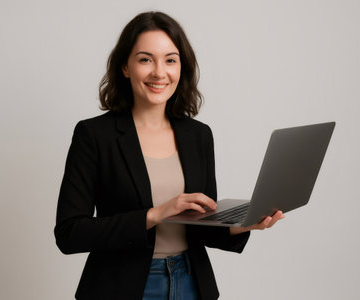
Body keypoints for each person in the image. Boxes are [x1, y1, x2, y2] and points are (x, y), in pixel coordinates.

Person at [54, 11, 284, 300]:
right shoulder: (94, 135)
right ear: (125, 67)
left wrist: (245, 224)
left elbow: (201, 228)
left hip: (190, 282)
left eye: (170, 60)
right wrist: (155, 214)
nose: (159, 73)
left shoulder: (198, 135)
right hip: (123, 288)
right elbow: (69, 232)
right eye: (145, 59)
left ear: (181, 68)